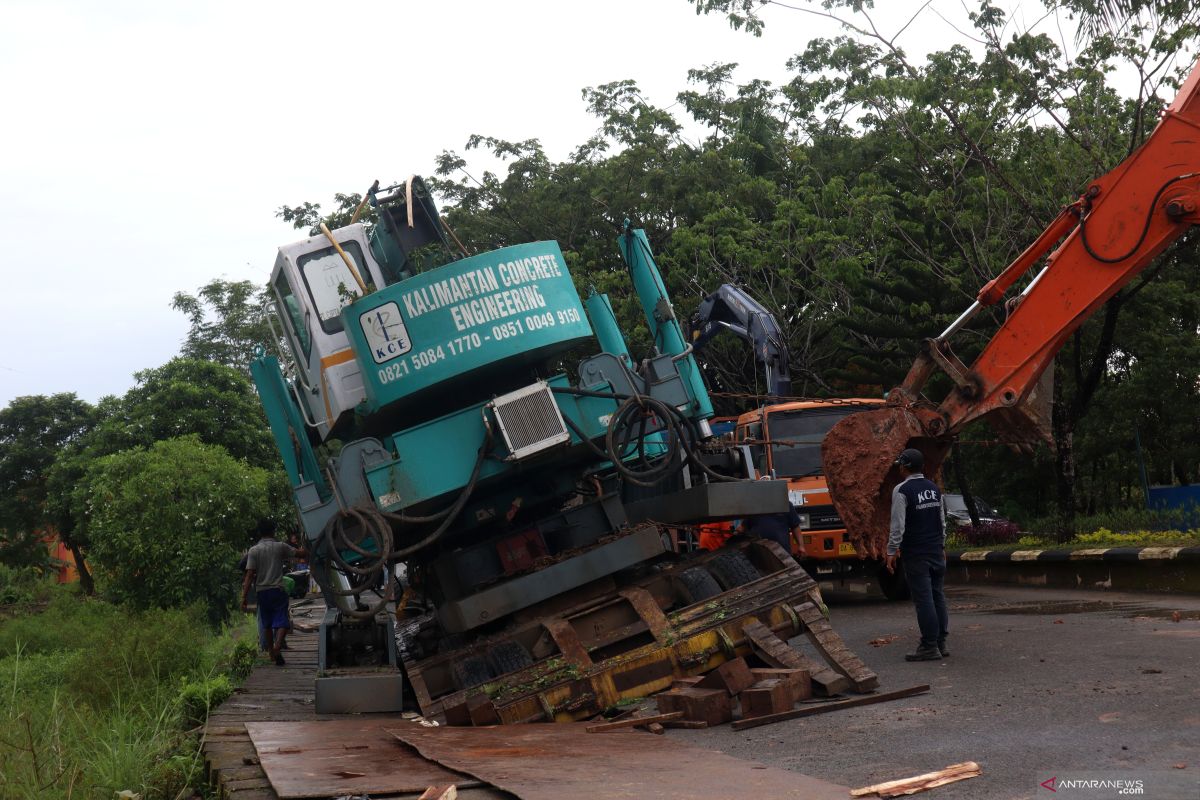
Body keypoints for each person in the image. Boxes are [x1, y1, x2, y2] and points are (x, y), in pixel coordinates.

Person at [885, 448, 949, 662]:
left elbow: (898, 526)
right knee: (938, 596)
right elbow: (941, 522)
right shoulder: (934, 489)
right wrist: (942, 547)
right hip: (935, 551)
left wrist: (892, 551)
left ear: (904, 467)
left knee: (924, 600)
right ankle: (941, 642)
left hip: (916, 553)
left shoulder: (902, 490)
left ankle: (929, 646)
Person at [241, 519, 307, 666]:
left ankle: (271, 652)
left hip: (262, 592)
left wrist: (244, 597)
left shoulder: (253, 550)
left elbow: (249, 574)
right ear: (273, 532)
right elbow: (299, 553)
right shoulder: (280, 547)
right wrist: (309, 546)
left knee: (267, 623)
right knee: (282, 619)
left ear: (260, 533)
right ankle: (278, 646)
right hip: (278, 589)